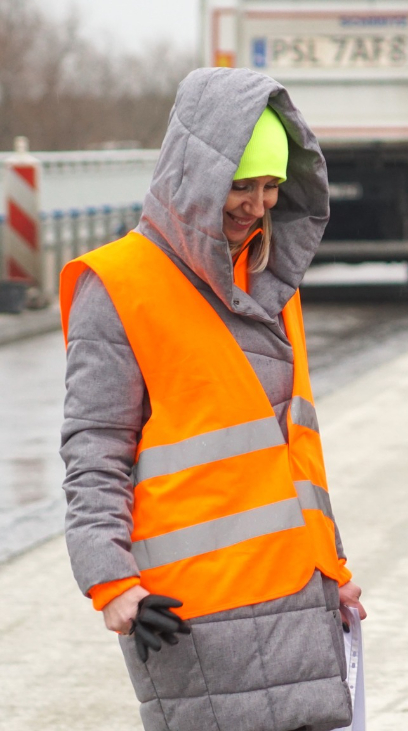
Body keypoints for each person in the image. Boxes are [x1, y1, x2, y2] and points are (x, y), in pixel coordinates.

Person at [60, 67, 364, 731]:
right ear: (196, 175)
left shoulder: (270, 280)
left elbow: (293, 450)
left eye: (270, 187)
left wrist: (331, 568)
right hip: (189, 612)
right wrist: (111, 581)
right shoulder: (121, 285)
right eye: (240, 184)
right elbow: (95, 448)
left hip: (295, 597)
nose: (256, 205)